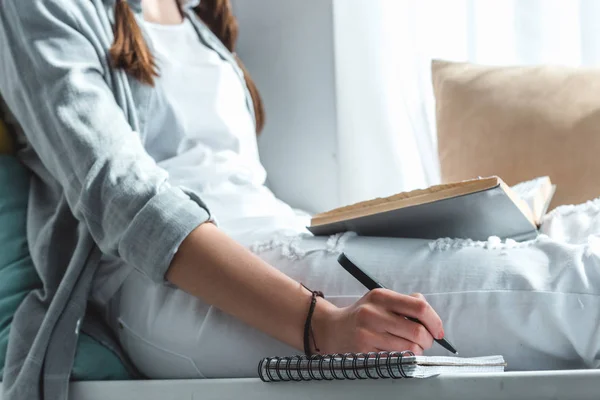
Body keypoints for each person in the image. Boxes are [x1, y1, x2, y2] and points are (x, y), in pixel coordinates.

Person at [0, 0, 599, 395]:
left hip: (281, 238)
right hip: (174, 286)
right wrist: (319, 325)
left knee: (581, 227)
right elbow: (122, 198)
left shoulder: (193, 19)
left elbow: (239, 182)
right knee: (577, 289)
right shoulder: (43, 10)